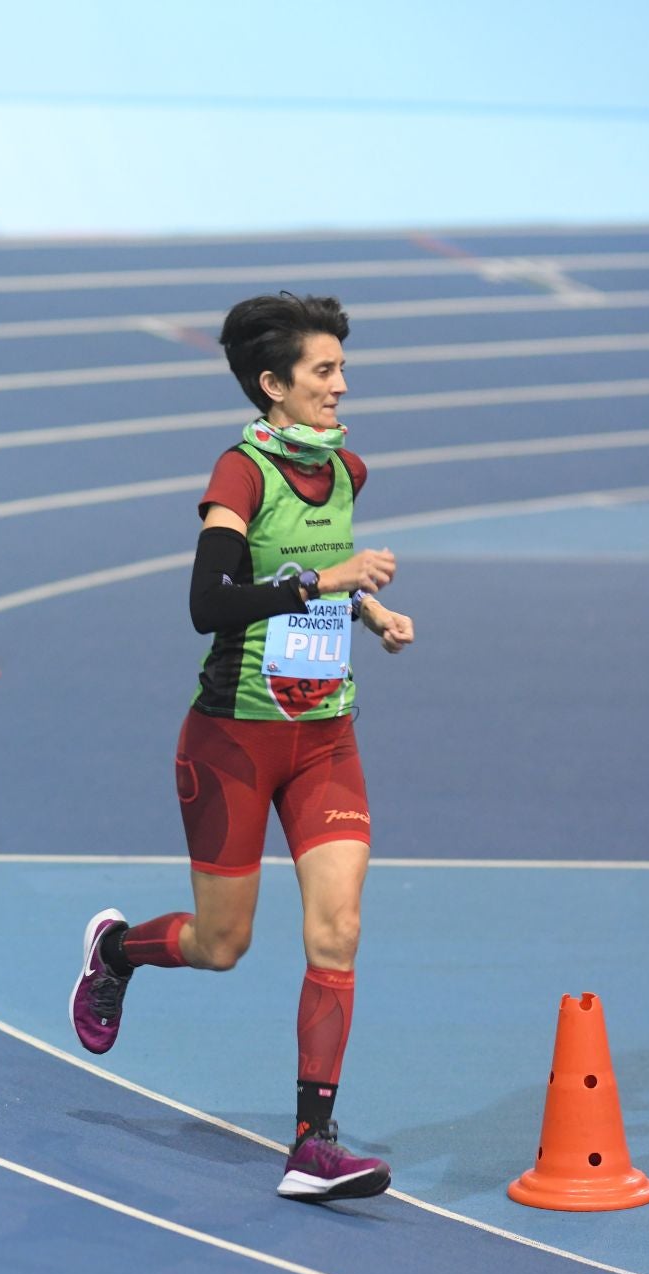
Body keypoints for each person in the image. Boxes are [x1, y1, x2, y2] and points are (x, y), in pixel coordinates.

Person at [70, 292, 414, 1202]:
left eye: (342, 368)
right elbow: (210, 603)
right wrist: (327, 581)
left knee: (337, 928)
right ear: (273, 385)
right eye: (324, 371)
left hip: (326, 740)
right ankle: (117, 953)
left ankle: (313, 1143)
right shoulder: (240, 475)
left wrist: (369, 611)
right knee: (222, 945)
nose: (342, 385)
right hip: (232, 741)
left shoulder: (347, 470)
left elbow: (315, 573)